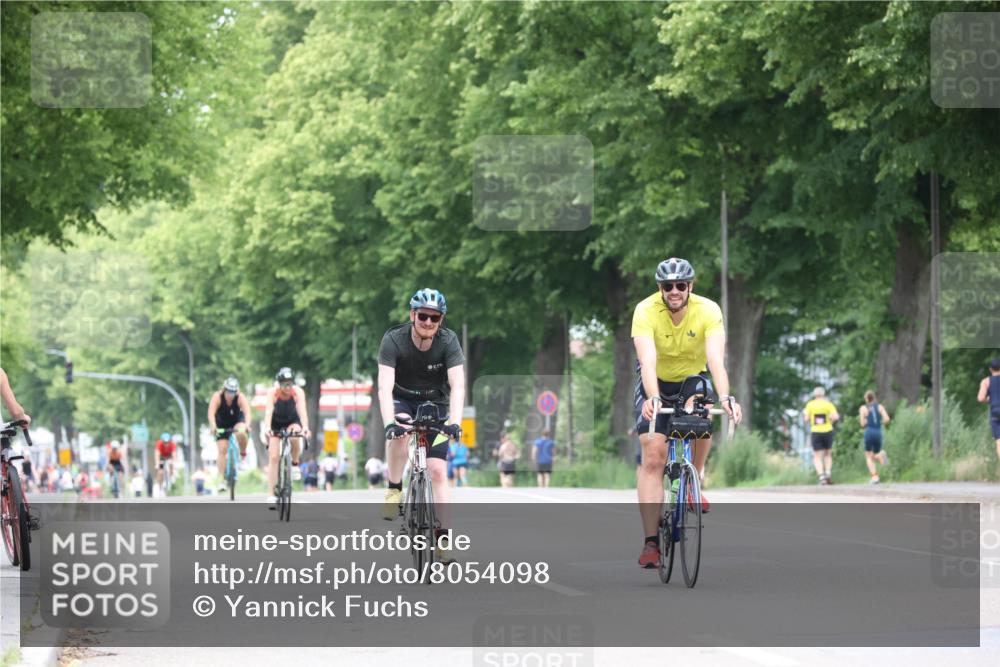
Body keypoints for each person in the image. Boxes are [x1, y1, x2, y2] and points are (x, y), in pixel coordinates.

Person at [632, 257, 742, 569]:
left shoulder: (708, 310)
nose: (675, 291)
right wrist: (653, 397)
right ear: (660, 288)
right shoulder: (645, 311)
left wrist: (726, 396)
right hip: (656, 381)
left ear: (690, 287)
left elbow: (716, 361)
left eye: (681, 285)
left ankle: (695, 478)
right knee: (654, 455)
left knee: (705, 411)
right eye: (668, 286)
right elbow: (648, 362)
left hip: (692, 381)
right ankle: (651, 542)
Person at [378, 288, 465, 563]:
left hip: (437, 405)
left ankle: (443, 539)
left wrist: (455, 422)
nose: (428, 323)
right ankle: (394, 488)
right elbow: (383, 388)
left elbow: (459, 385)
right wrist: (389, 424)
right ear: (412, 315)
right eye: (423, 316)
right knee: (400, 435)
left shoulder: (449, 341)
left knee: (439, 471)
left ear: (441, 320)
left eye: (435, 318)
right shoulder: (393, 339)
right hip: (402, 400)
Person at [264, 367, 310, 509]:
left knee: (295, 435)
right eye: (284, 383)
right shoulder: (273, 393)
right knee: (273, 457)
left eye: (290, 383)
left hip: (292, 422)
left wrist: (306, 427)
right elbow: (269, 411)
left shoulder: (298, 392)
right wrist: (267, 428)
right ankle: (271, 494)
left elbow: (302, 411)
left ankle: (295, 463)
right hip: (276, 425)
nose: (287, 387)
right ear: (279, 383)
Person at [208, 376, 253, 493]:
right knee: (222, 449)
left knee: (242, 432)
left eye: (233, 392)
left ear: (236, 391)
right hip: (221, 424)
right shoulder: (217, 397)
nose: (230, 395)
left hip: (236, 422)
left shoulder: (240, 397)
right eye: (228, 391)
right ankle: (221, 479)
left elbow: (247, 412)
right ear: (224, 389)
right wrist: (213, 426)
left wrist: (247, 425)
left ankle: (243, 455)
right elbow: (211, 413)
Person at [804, 386, 840, 485]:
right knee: (828, 453)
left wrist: (812, 418)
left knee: (817, 456)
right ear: (823, 394)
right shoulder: (828, 404)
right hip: (828, 431)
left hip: (816, 431)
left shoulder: (810, 405)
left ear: (815, 395)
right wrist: (831, 419)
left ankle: (821, 476)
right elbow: (836, 416)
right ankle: (828, 473)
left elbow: (806, 419)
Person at [859, 390, 891, 484]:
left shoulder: (863, 408)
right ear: (874, 398)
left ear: (866, 399)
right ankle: (881, 455)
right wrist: (880, 423)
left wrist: (866, 421)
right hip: (878, 431)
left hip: (869, 432)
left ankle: (875, 477)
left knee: (868, 456)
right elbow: (887, 419)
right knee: (876, 452)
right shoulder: (880, 407)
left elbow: (862, 423)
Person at [978, 358, 1000, 461]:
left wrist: (989, 399)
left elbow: (980, 398)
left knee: (999, 443)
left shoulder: (986, 381)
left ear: (990, 369)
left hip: (995, 412)